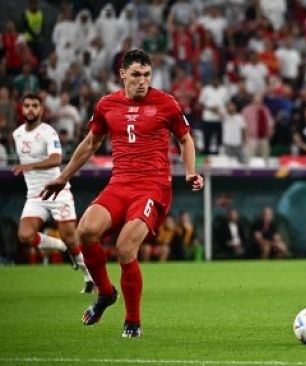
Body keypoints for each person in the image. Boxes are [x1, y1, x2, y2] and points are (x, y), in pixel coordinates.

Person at [40, 49, 204, 338]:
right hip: (119, 184)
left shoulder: (166, 103)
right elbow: (91, 142)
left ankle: (133, 321)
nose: (143, 81)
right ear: (123, 74)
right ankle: (105, 293)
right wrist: (63, 176)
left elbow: (185, 139)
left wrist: (190, 171)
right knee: (86, 230)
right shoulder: (107, 104)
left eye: (147, 75)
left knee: (126, 247)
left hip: (153, 187)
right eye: (137, 75)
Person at [12, 93, 94, 294]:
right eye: (27, 106)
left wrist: (30, 165)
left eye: (35, 106)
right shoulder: (17, 134)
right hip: (34, 195)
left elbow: (57, 159)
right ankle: (61, 246)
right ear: (22, 109)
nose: (31, 109)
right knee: (24, 235)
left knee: (71, 237)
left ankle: (89, 277)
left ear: (41, 110)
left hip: (57, 191)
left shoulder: (48, 132)